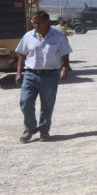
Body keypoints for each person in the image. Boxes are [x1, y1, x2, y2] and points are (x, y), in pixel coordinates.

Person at [15, 10, 73, 143]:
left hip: (50, 75)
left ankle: (44, 131)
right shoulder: (28, 36)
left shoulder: (58, 36)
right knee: (25, 103)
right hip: (30, 74)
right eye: (34, 23)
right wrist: (19, 72)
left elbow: (65, 54)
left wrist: (65, 68)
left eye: (39, 23)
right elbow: (22, 55)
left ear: (47, 22)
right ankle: (29, 129)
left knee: (47, 105)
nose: (36, 25)